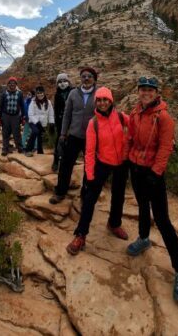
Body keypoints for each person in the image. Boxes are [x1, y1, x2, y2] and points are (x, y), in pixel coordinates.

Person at [126, 76, 178, 305]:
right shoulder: (135, 113)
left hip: (153, 173)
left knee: (162, 221)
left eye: (150, 90)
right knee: (142, 207)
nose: (146, 93)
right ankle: (143, 238)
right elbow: (130, 139)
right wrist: (127, 159)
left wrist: (156, 172)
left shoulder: (164, 117)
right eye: (143, 89)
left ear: (156, 93)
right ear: (139, 92)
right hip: (136, 168)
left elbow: (165, 147)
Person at [66, 87, 129, 255]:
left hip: (121, 163)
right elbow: (89, 152)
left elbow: (137, 126)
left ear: (111, 100)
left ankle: (114, 224)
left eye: (105, 99)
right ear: (96, 102)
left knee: (119, 196)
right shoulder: (93, 123)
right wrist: (90, 175)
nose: (102, 103)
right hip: (102, 163)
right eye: (99, 100)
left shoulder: (121, 117)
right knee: (90, 199)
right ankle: (80, 235)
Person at [50, 67, 100, 204]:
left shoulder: (99, 94)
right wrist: (62, 134)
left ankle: (85, 194)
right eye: (84, 76)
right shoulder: (73, 93)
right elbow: (67, 115)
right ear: (80, 78)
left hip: (91, 137)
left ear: (94, 79)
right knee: (66, 165)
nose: (86, 78)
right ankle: (60, 192)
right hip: (74, 135)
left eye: (89, 76)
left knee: (89, 167)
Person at [0, 77, 27, 156]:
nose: (12, 84)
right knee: (5, 133)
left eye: (14, 83)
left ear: (16, 84)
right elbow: (0, 106)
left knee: (16, 133)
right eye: (10, 83)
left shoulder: (20, 94)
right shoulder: (4, 94)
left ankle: (20, 148)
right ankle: (5, 149)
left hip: (16, 116)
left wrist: (23, 117)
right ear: (8, 84)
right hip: (5, 116)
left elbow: (22, 106)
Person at [25, 86, 54, 157]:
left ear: (44, 93)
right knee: (35, 132)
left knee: (40, 136)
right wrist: (37, 122)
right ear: (36, 94)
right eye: (38, 93)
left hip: (43, 123)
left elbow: (51, 114)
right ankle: (28, 150)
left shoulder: (48, 102)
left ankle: (40, 151)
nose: (40, 94)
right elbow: (30, 114)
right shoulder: (33, 102)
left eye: (41, 93)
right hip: (33, 122)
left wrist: (52, 123)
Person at [52, 73, 73, 172]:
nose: (62, 83)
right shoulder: (57, 95)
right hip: (61, 122)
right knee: (59, 141)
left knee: (71, 141)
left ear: (68, 82)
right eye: (60, 82)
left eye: (64, 81)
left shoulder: (73, 92)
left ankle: (68, 160)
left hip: (72, 121)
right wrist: (56, 124)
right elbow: (56, 110)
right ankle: (56, 161)